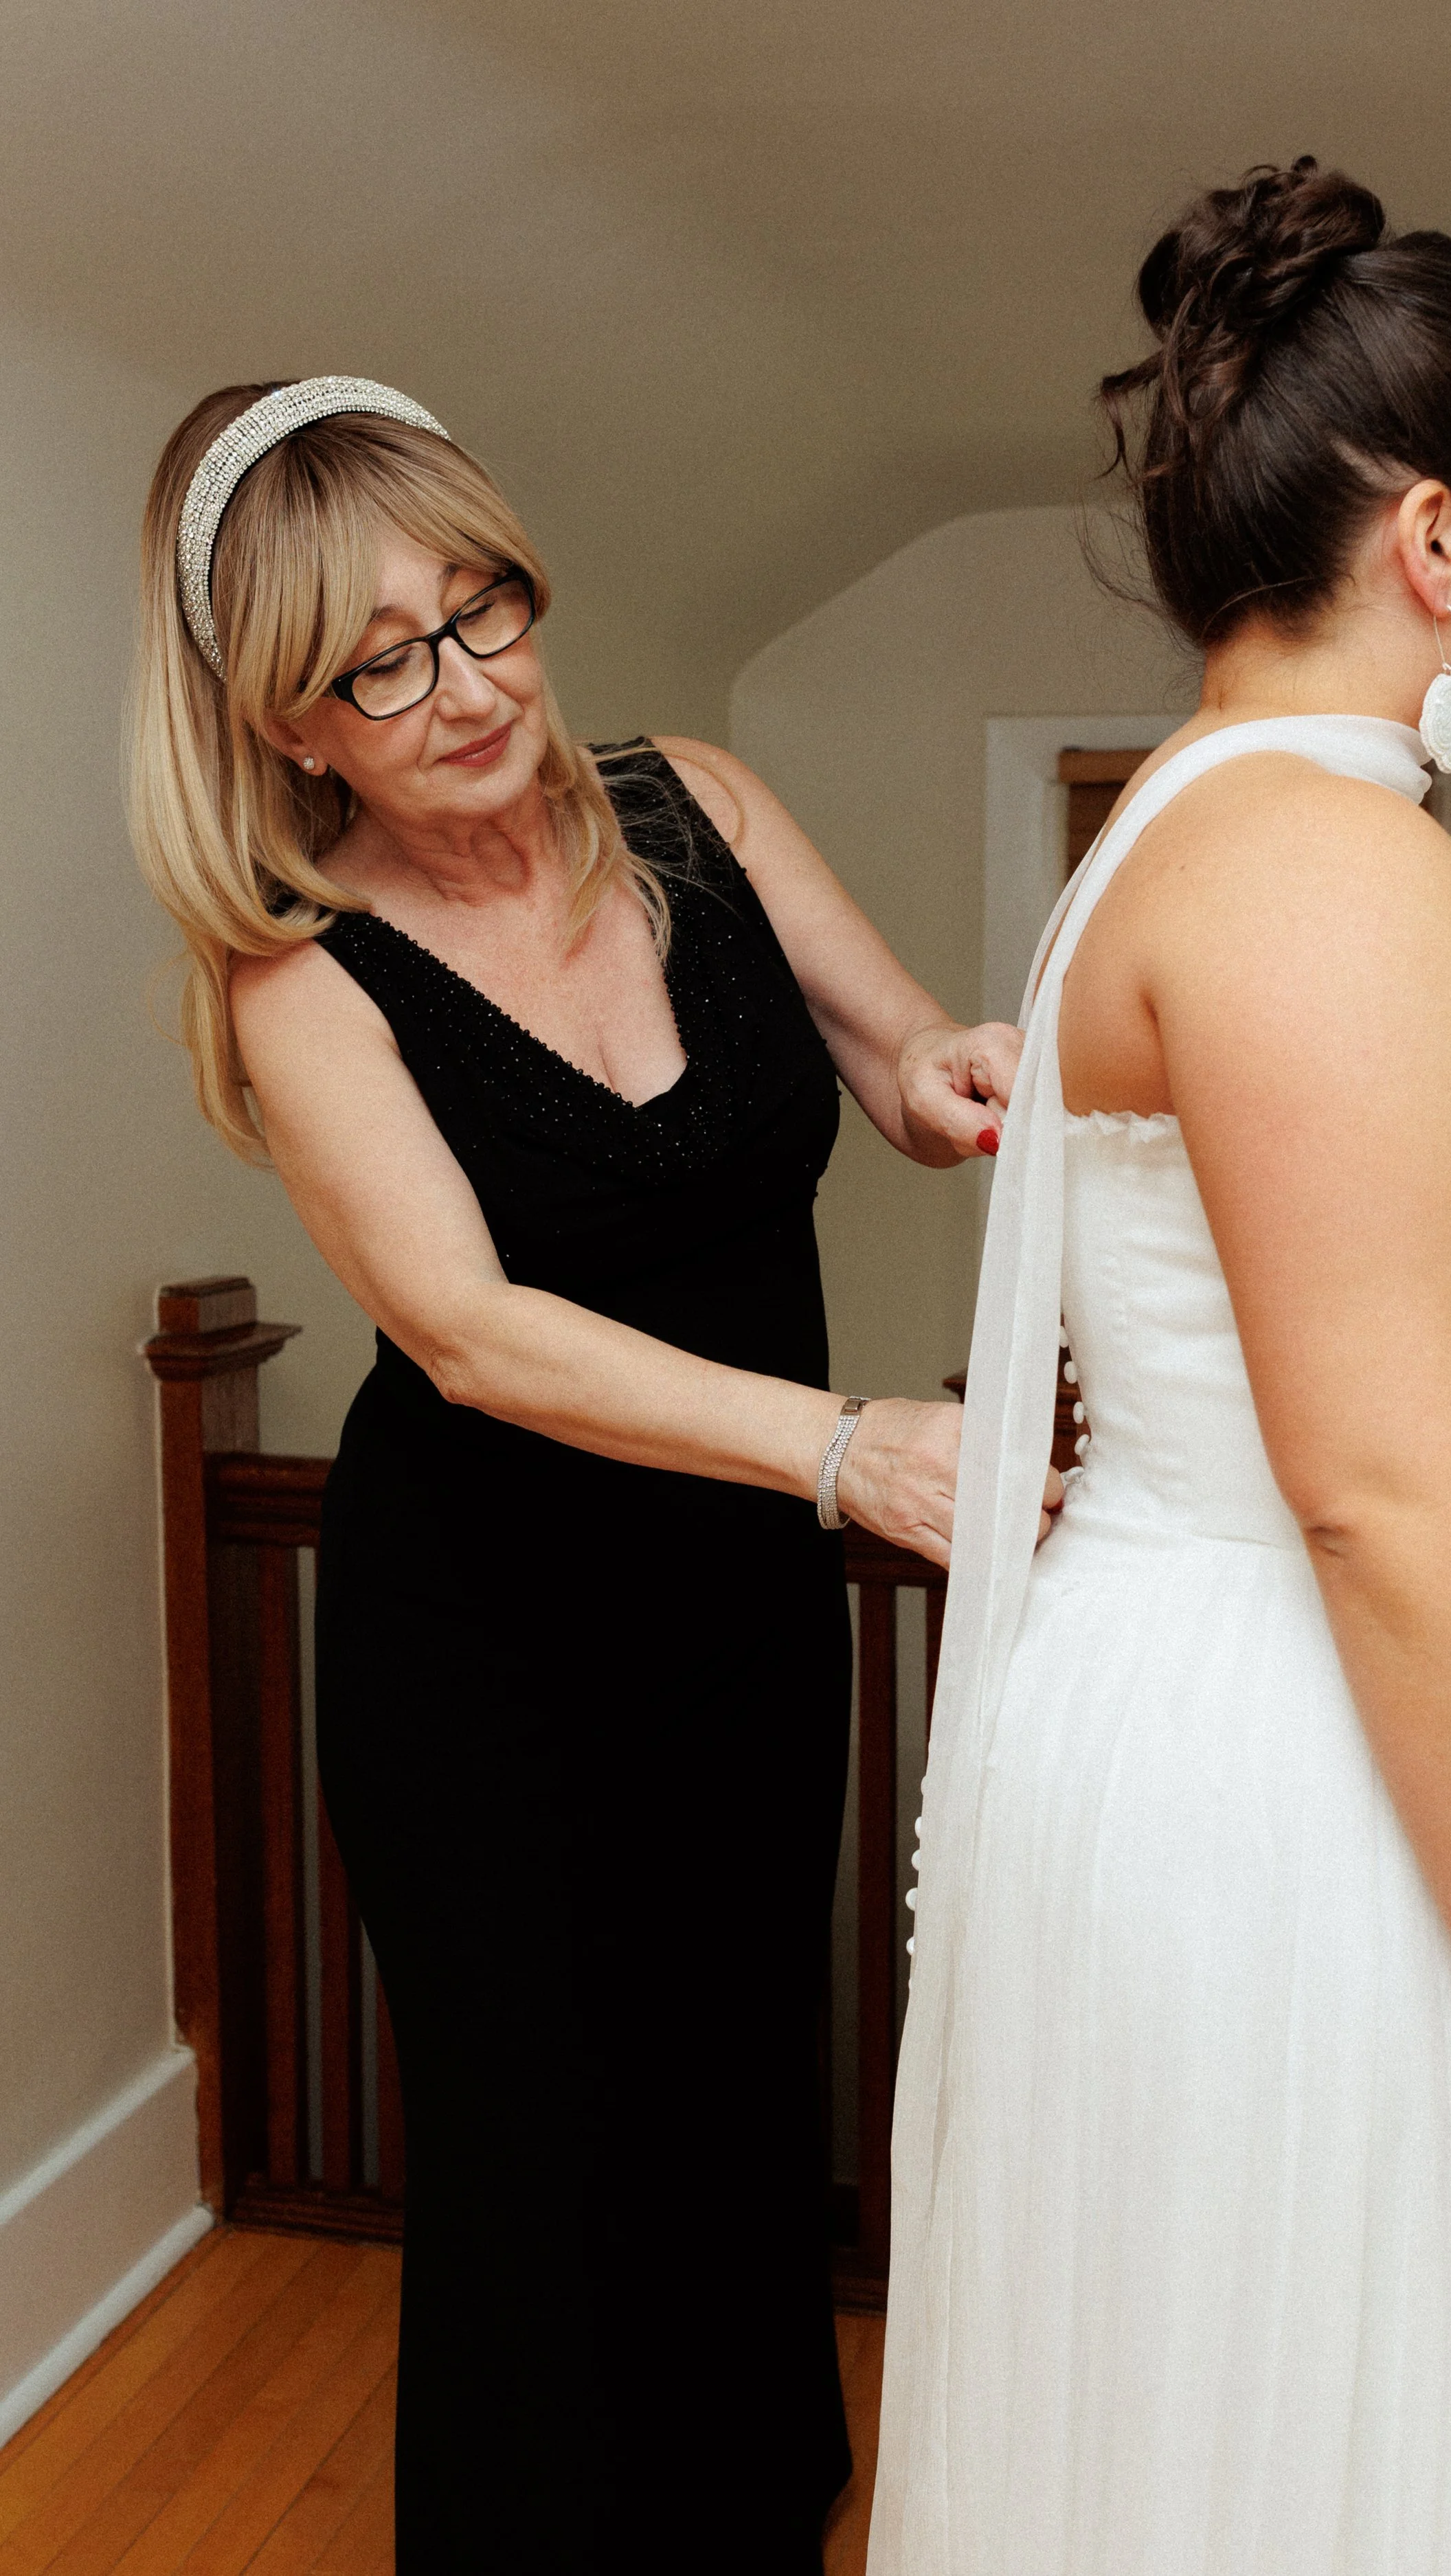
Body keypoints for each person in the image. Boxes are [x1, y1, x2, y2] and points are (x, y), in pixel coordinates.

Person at [873, 160, 1451, 2573]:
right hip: (1355, 1787)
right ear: (1441, 545)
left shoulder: (1202, 826)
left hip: (1340, 1725)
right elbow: (1371, 1480)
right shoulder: (1323, 869)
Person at [128, 376, 1052, 2573]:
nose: (468, 688)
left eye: (486, 610)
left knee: (739, 2135)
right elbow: (469, 1331)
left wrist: (978, 1065)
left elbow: (900, 1062)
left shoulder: (696, 805)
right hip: (489, 1669)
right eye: (383, 659)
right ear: (287, 725)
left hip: (737, 1632)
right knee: (545, 2202)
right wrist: (843, 1453)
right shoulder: (299, 977)